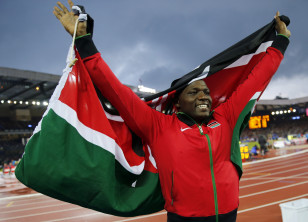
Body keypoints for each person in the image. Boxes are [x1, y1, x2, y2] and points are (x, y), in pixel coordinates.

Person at [53, 1, 290, 221]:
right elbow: (115, 90)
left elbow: (257, 79)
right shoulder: (158, 126)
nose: (203, 96)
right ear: (177, 103)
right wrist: (83, 40)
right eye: (193, 92)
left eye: (206, 92)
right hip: (184, 217)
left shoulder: (225, 117)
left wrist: (281, 41)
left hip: (229, 213)